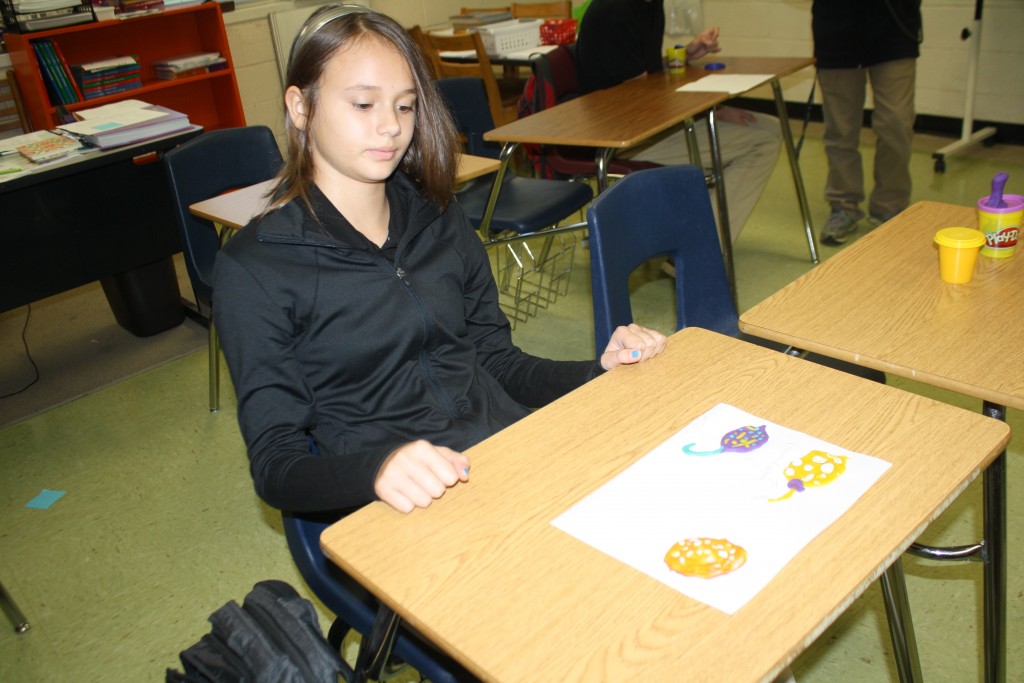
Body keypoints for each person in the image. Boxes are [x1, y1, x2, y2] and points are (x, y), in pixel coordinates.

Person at [212, 4, 668, 517]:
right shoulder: (257, 269)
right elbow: (278, 465)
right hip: (404, 504)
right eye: (363, 105)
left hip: (505, 455)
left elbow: (497, 362)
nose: (390, 127)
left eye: (405, 107)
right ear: (301, 108)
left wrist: (598, 371)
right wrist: (377, 469)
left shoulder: (439, 218)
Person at [575, 0, 782, 243]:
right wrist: (712, 109)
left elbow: (646, 75)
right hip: (624, 138)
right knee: (762, 144)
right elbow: (641, 93)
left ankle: (688, 230)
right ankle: (697, 247)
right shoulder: (614, 10)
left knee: (770, 128)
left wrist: (683, 55)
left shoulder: (649, 5)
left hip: (653, 123)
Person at [812, 0, 922, 245]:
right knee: (840, 129)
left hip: (895, 28)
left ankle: (890, 204)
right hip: (836, 32)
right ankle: (843, 206)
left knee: (897, 122)